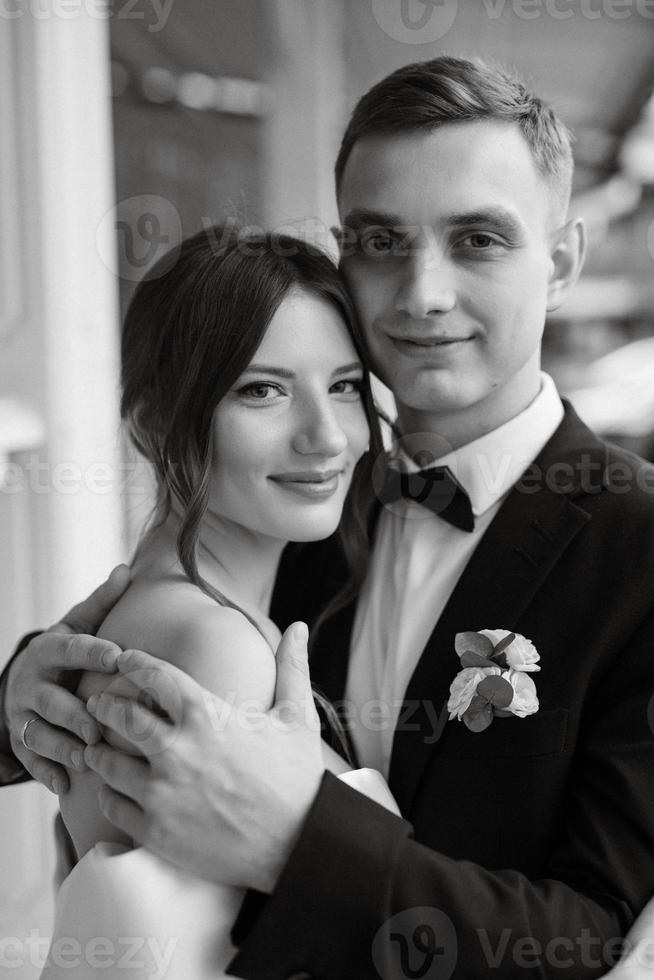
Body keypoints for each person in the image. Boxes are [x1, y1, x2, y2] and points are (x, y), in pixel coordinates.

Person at [3, 56, 654, 979]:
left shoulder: (637, 549)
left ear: (561, 263)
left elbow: (592, 936)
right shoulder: (305, 495)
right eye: (381, 241)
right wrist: (24, 697)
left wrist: (298, 843)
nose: (423, 293)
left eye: (477, 240)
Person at [12, 225, 392, 977]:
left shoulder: (176, 612)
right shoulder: (213, 646)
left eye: (345, 386)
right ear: (156, 424)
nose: (328, 437)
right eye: (263, 390)